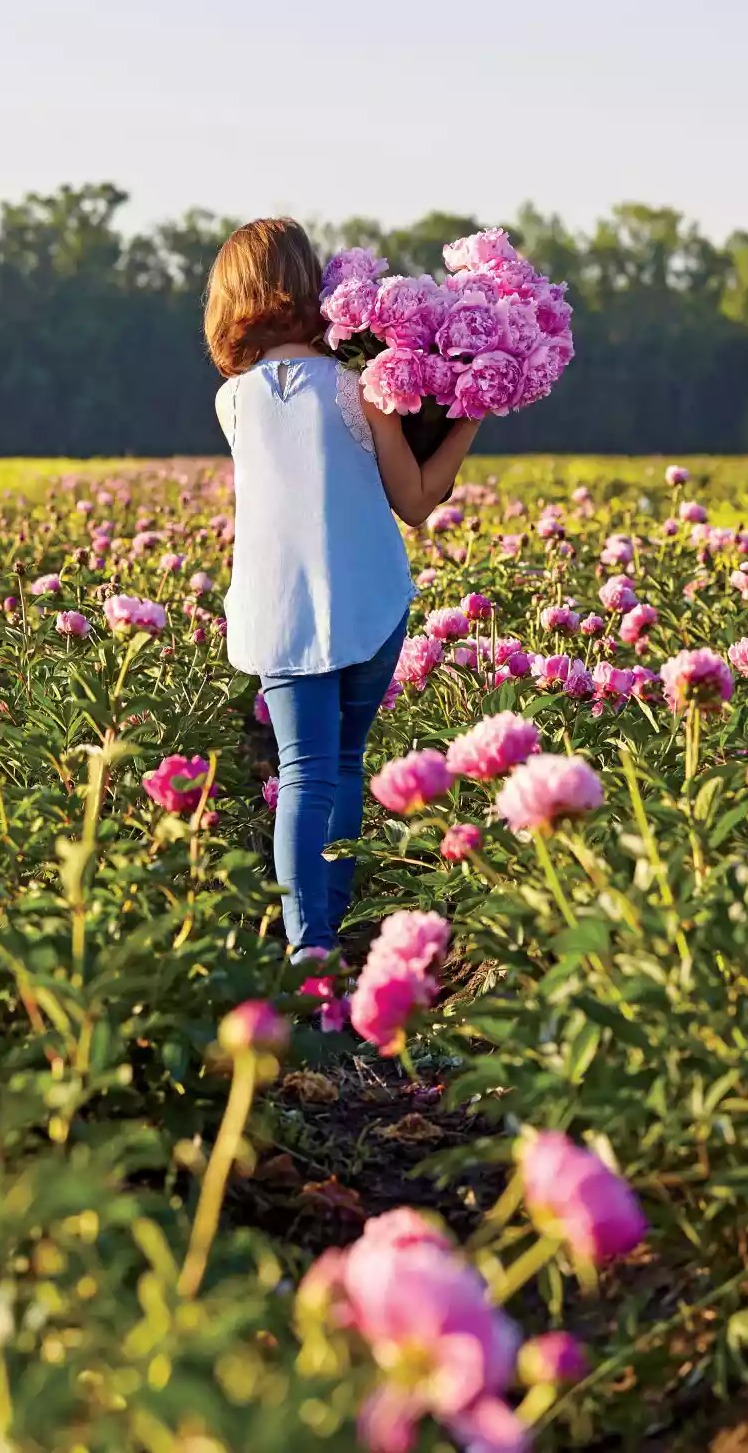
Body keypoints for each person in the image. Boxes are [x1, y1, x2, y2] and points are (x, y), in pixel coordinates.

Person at [205, 217, 481, 960]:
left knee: (304, 773)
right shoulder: (363, 387)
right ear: (311, 284)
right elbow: (417, 501)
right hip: (368, 597)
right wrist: (469, 412)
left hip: (280, 608)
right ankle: (333, 926)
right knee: (345, 766)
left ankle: (310, 949)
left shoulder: (232, 401)